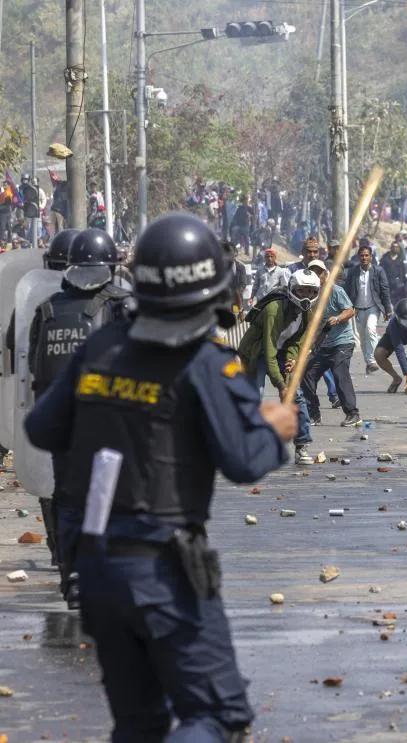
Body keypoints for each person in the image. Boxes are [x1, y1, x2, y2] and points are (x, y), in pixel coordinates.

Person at [24, 211, 298, 741]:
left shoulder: (101, 347)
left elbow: (42, 427)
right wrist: (275, 429)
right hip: (163, 569)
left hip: (94, 567)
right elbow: (244, 461)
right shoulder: (208, 364)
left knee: (139, 723)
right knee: (216, 717)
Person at [27, 228, 132, 609]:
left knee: (68, 497)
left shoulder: (48, 309)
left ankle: (71, 575)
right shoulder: (121, 304)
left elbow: (32, 365)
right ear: (111, 266)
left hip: (60, 422)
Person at [237, 268, 320, 464]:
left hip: (280, 353)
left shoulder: (307, 312)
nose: (306, 296)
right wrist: (281, 386)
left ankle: (302, 445)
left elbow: (298, 340)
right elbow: (269, 349)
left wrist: (292, 359)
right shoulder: (274, 310)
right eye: (301, 291)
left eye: (310, 291)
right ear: (292, 289)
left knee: (297, 397)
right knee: (255, 397)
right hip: (257, 353)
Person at [301, 260, 361, 427]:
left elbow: (350, 310)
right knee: (307, 374)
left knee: (339, 371)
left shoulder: (335, 291)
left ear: (325, 274)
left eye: (319, 272)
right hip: (323, 344)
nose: (316, 275)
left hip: (342, 342)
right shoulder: (310, 295)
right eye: (312, 272)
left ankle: (353, 414)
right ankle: (314, 414)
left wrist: (338, 318)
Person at [344, 243, 392, 374]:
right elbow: (347, 291)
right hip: (358, 309)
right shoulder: (353, 272)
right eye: (362, 256)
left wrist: (387, 309)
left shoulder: (378, 271)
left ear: (371, 257)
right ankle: (369, 363)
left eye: (366, 255)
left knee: (370, 330)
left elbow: (385, 290)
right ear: (358, 257)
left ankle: (372, 360)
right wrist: (346, 308)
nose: (364, 258)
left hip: (373, 307)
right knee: (363, 338)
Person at [374, 297, 407, 394]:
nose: (405, 323)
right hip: (393, 337)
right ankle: (396, 378)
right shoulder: (393, 324)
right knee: (378, 354)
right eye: (402, 320)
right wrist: (406, 372)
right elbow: (399, 350)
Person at [380, 239, 407, 304]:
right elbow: (380, 270)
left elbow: (403, 272)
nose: (396, 248)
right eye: (394, 247)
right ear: (391, 248)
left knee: (399, 301)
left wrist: (403, 282)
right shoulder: (385, 258)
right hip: (387, 283)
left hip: (398, 283)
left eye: (397, 247)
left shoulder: (400, 259)